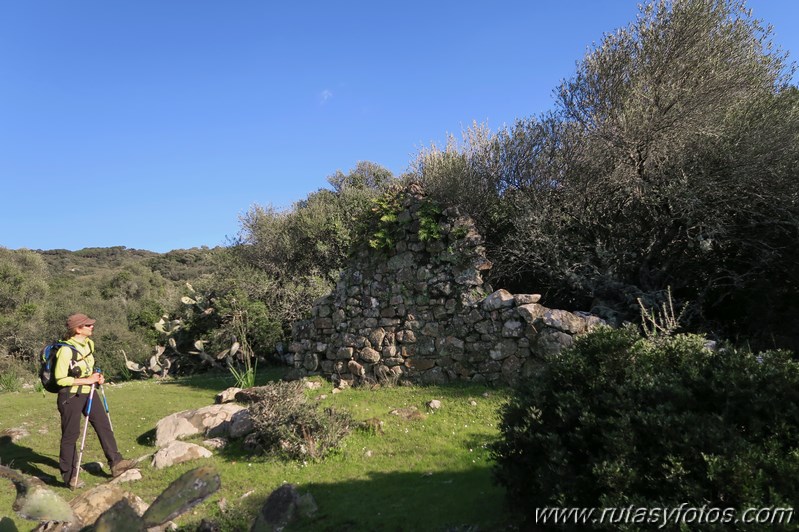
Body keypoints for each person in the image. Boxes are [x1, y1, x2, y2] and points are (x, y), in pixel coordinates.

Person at [54, 313, 135, 489]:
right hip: (70, 396)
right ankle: (69, 476)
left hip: (89, 392)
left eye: (91, 324)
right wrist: (87, 380)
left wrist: (97, 378)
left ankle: (116, 463)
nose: (92, 327)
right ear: (77, 329)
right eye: (88, 325)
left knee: (103, 425)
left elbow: (87, 369)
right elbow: (60, 379)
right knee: (71, 435)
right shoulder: (66, 350)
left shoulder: (89, 344)